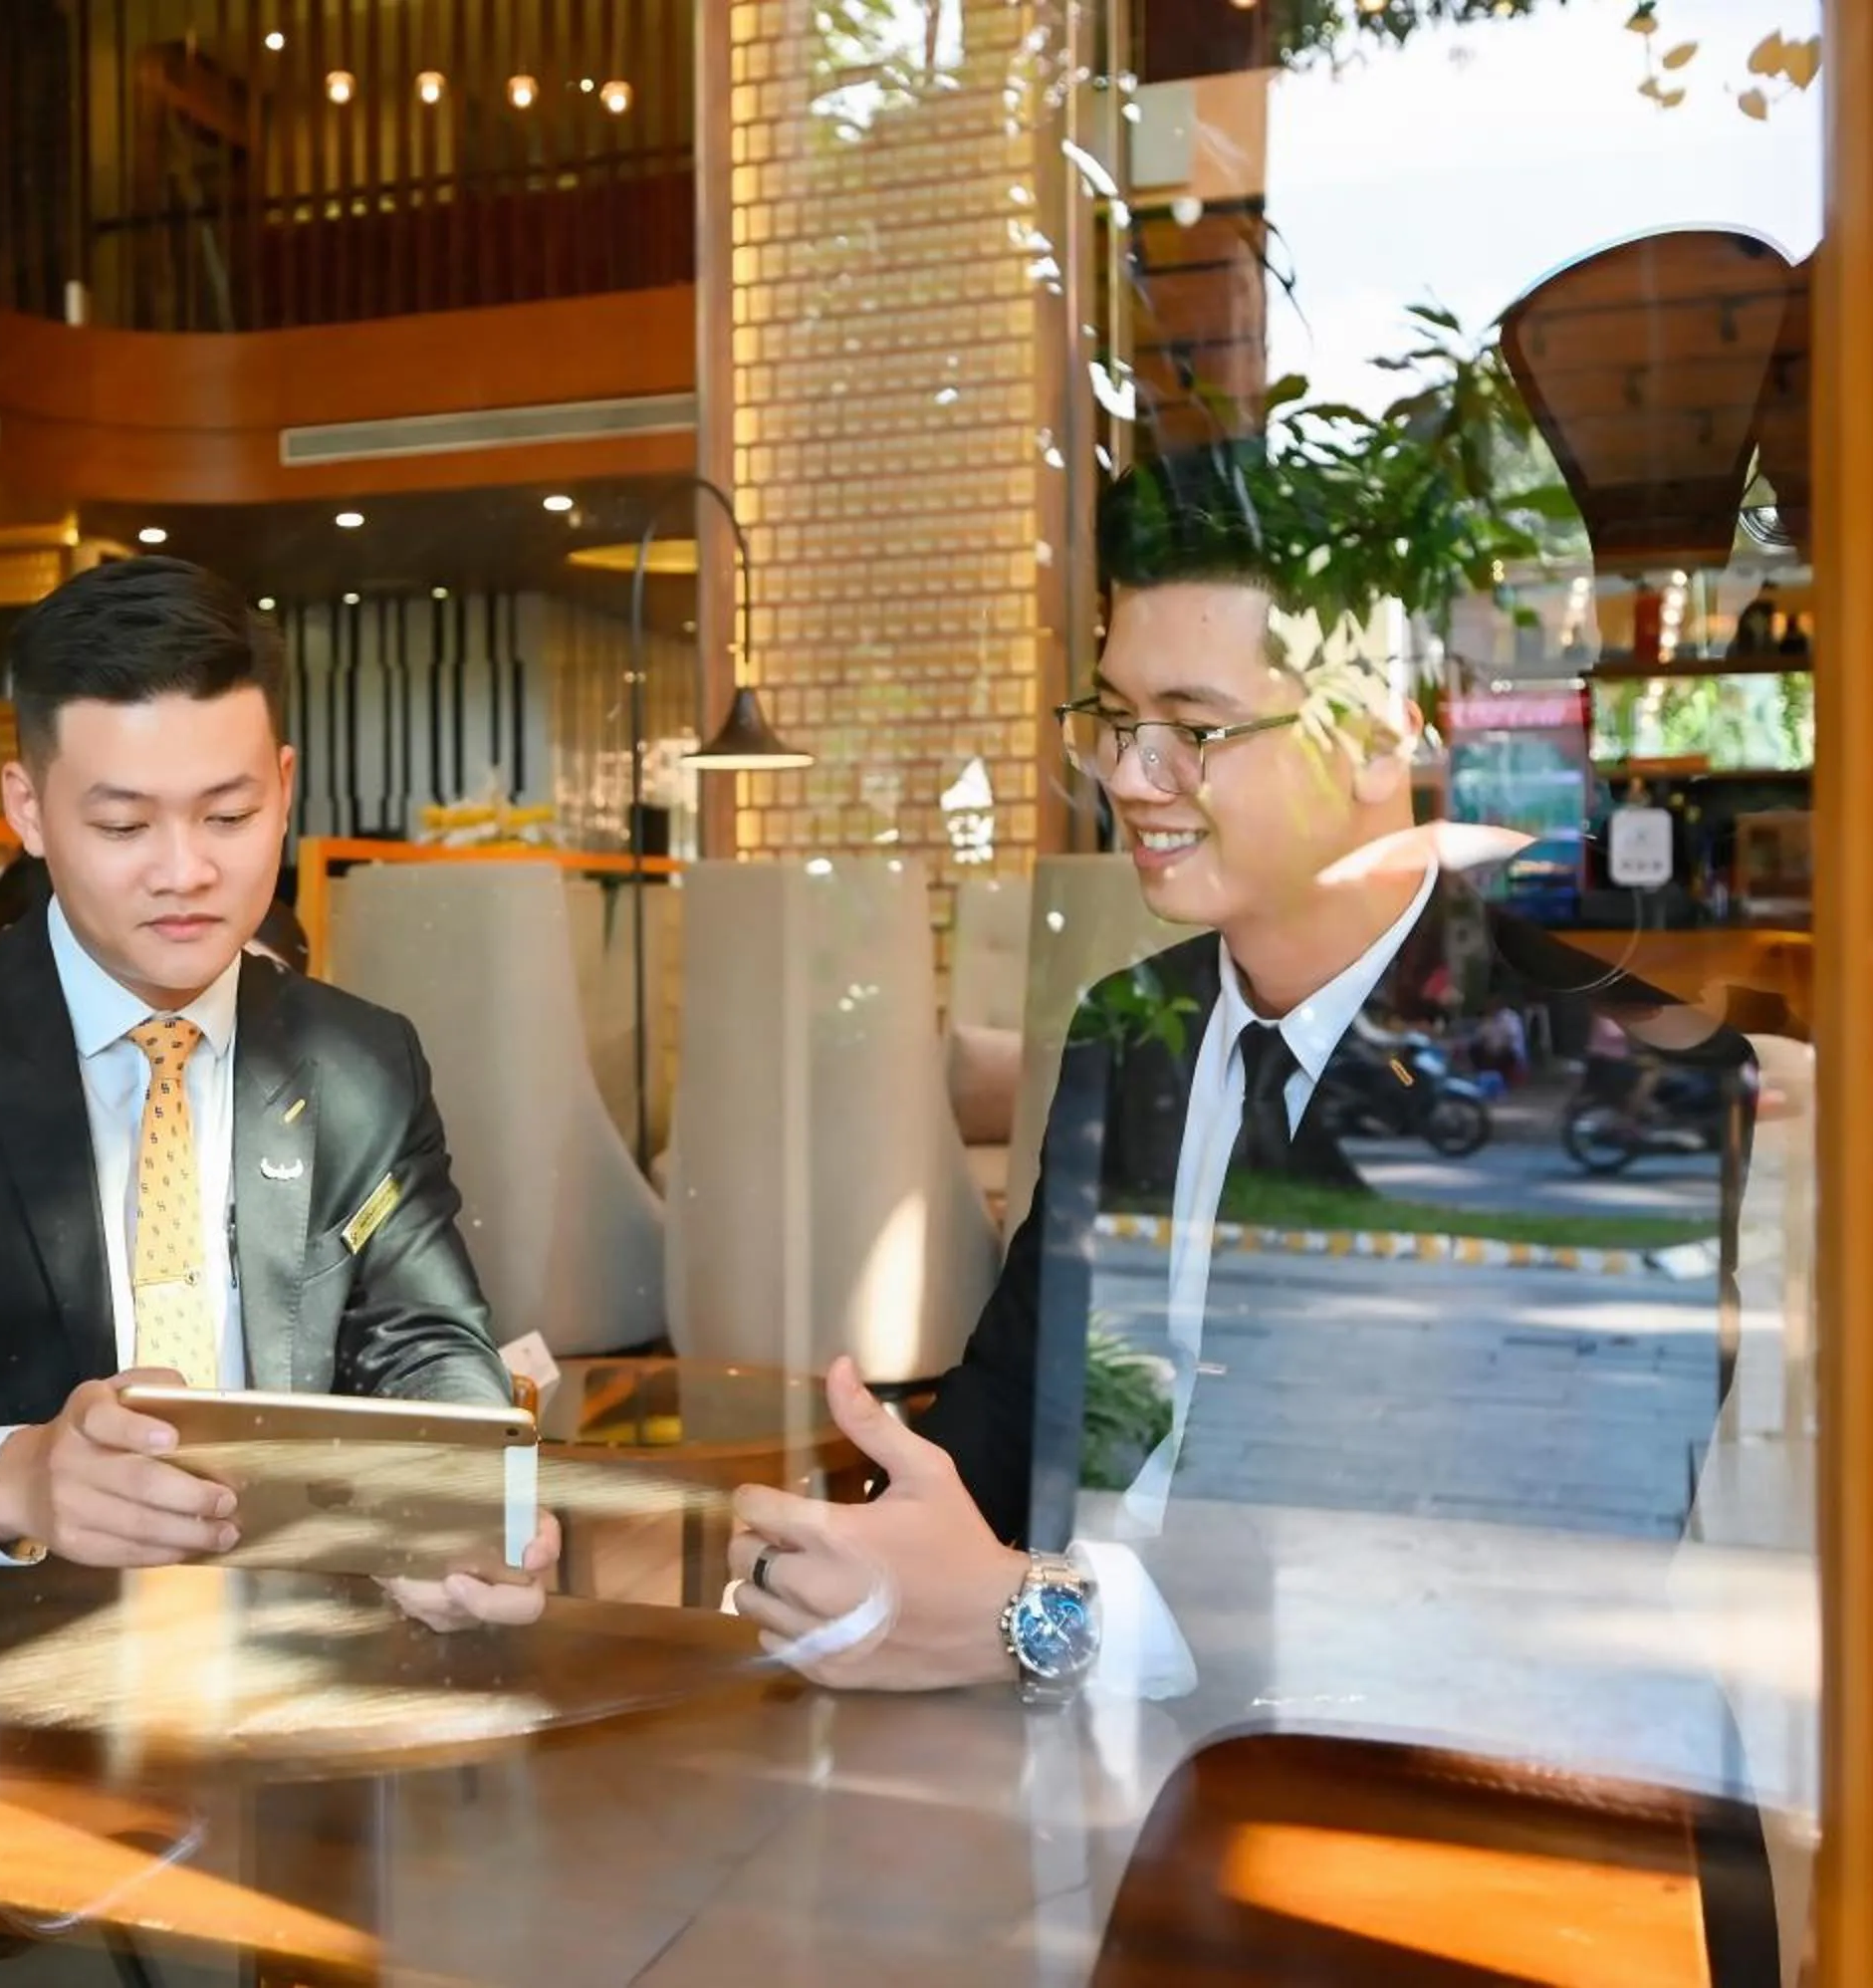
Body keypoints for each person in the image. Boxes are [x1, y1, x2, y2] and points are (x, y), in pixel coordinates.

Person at [724, 443, 1750, 1696]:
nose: (1126, 776)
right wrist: (871, 1553)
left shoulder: (1610, 1076)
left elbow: (1520, 1591)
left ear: (1381, 736)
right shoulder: (1126, 1025)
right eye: (1113, 719)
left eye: (1195, 729)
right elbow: (1019, 1401)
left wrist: (1040, 1622)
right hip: (1066, 1775)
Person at [0, 555, 556, 1629]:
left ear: (285, 789)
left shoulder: (363, 1062)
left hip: (291, 1675)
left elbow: (425, 1345)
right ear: (27, 807)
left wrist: (466, 1504)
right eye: (122, 826)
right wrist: (14, 1480)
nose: (185, 871)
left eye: (228, 816)